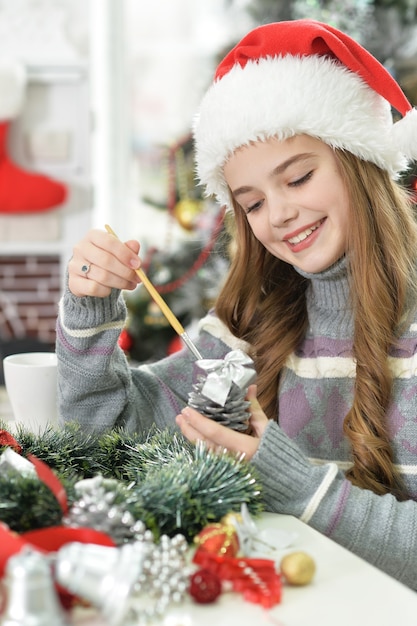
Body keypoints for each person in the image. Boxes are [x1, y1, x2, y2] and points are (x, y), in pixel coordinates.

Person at [57, 19, 417, 590]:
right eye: (251, 203)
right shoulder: (247, 331)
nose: (277, 215)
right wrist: (87, 313)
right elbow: (108, 441)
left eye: (297, 178)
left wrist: (298, 487)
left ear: (360, 161)